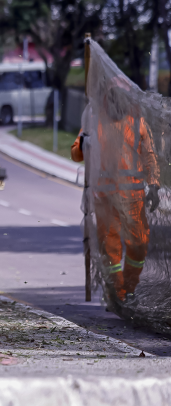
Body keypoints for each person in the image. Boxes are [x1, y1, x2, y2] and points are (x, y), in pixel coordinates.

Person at [71, 80, 159, 306]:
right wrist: (83, 142)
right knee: (110, 248)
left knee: (138, 244)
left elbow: (149, 155)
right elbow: (76, 154)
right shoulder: (93, 123)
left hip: (133, 198)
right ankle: (117, 293)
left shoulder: (138, 122)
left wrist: (155, 185)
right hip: (106, 199)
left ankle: (129, 288)